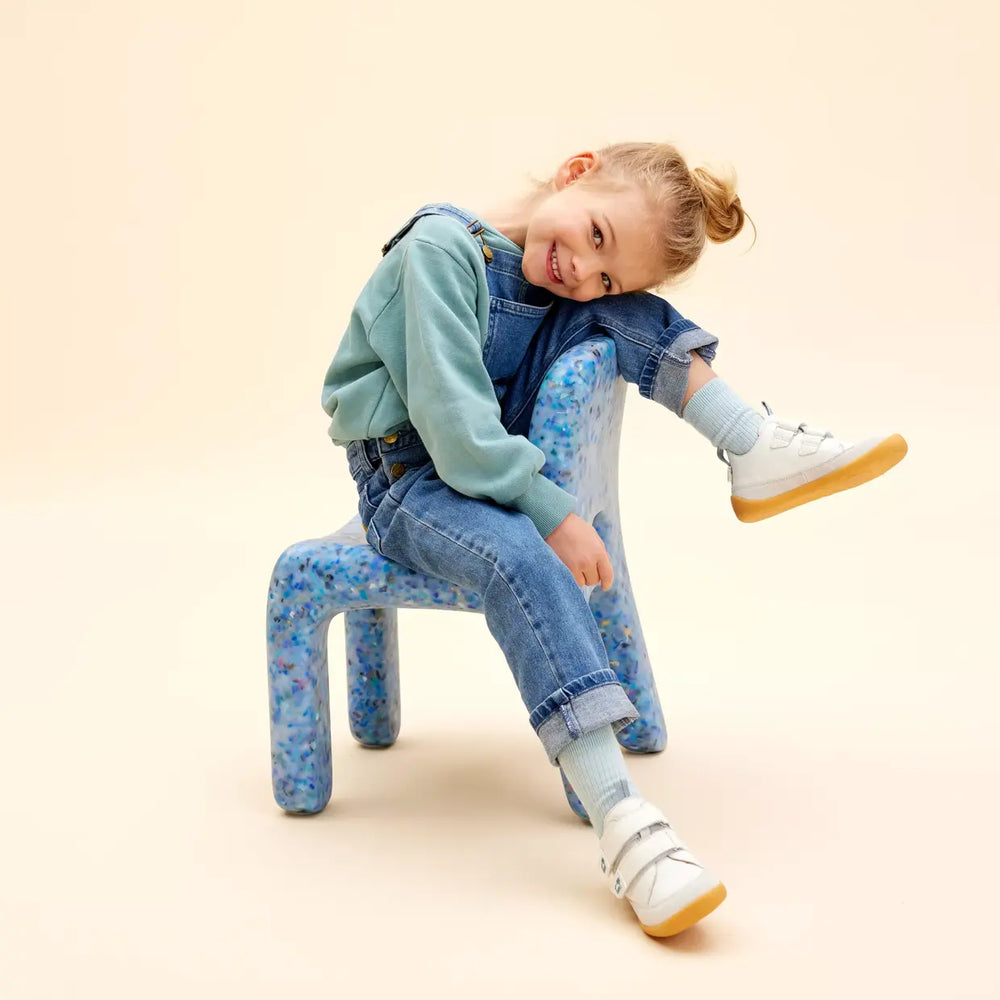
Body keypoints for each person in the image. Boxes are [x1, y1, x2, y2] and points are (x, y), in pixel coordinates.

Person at [320, 141, 907, 937]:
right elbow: (456, 433)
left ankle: (750, 442)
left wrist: (607, 304)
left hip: (482, 452)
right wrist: (552, 512)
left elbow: (511, 395)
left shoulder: (550, 276)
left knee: (622, 319)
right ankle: (624, 825)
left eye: (606, 273)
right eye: (596, 235)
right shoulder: (438, 253)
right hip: (410, 478)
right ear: (575, 171)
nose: (582, 272)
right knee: (521, 558)